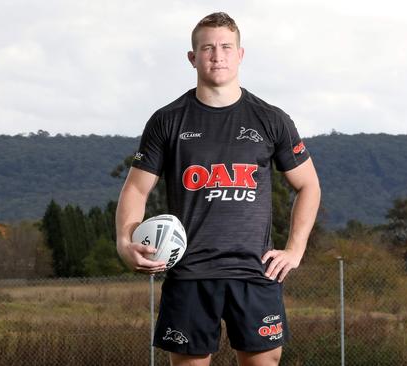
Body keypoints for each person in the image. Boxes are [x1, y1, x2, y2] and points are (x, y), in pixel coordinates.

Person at [115, 12, 321, 366]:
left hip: (255, 272)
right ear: (192, 58)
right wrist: (124, 241)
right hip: (189, 273)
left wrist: (295, 250)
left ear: (240, 55)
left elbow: (309, 186)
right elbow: (135, 190)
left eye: (226, 47)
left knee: (264, 362)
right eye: (207, 48)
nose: (217, 55)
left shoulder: (271, 119)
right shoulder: (168, 120)